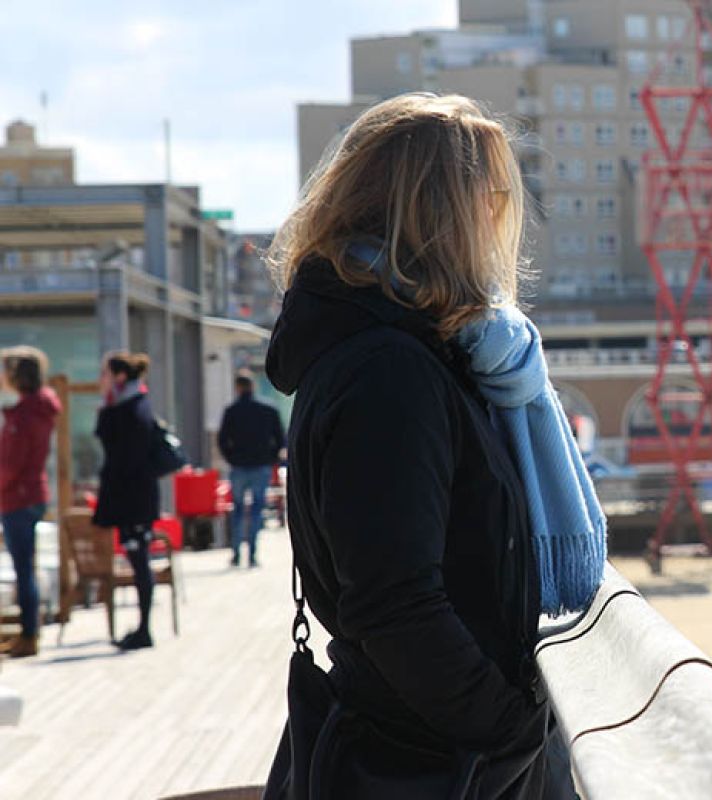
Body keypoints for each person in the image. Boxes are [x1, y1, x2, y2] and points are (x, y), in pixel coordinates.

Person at [263, 93, 585, 798]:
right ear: (441, 212)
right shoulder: (389, 371)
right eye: (490, 194)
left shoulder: (393, 348)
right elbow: (393, 600)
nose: (497, 217)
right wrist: (511, 728)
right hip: (433, 761)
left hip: (422, 740)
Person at [94, 351, 160, 651]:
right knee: (138, 559)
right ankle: (142, 627)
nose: (100, 380)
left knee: (139, 559)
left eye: (104, 374)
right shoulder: (128, 405)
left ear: (119, 377)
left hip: (133, 500)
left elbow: (127, 457)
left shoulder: (129, 408)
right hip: (133, 498)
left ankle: (144, 629)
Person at [0, 346, 60, 658]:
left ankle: (29, 632)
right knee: (27, 566)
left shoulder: (24, 415)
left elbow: (10, 464)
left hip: (18, 497)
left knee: (23, 567)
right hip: (32, 493)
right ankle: (29, 629)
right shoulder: (38, 409)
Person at [217, 369, 284, 568]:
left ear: (237, 387)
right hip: (261, 466)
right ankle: (253, 554)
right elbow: (280, 438)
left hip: (238, 466)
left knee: (237, 510)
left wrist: (231, 458)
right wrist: (270, 458)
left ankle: (237, 553)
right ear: (252, 385)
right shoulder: (268, 409)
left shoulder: (231, 411)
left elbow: (222, 440)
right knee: (256, 510)